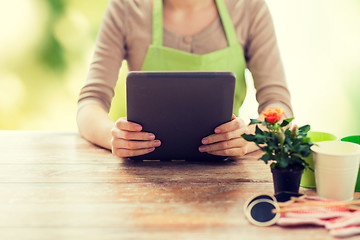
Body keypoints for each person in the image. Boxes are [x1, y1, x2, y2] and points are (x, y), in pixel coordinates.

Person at [77, 0, 293, 158]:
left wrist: (250, 136)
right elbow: (90, 102)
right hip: (146, 176)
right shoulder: (126, 8)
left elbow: (279, 106)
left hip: (226, 175)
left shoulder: (249, 8)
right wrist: (113, 136)